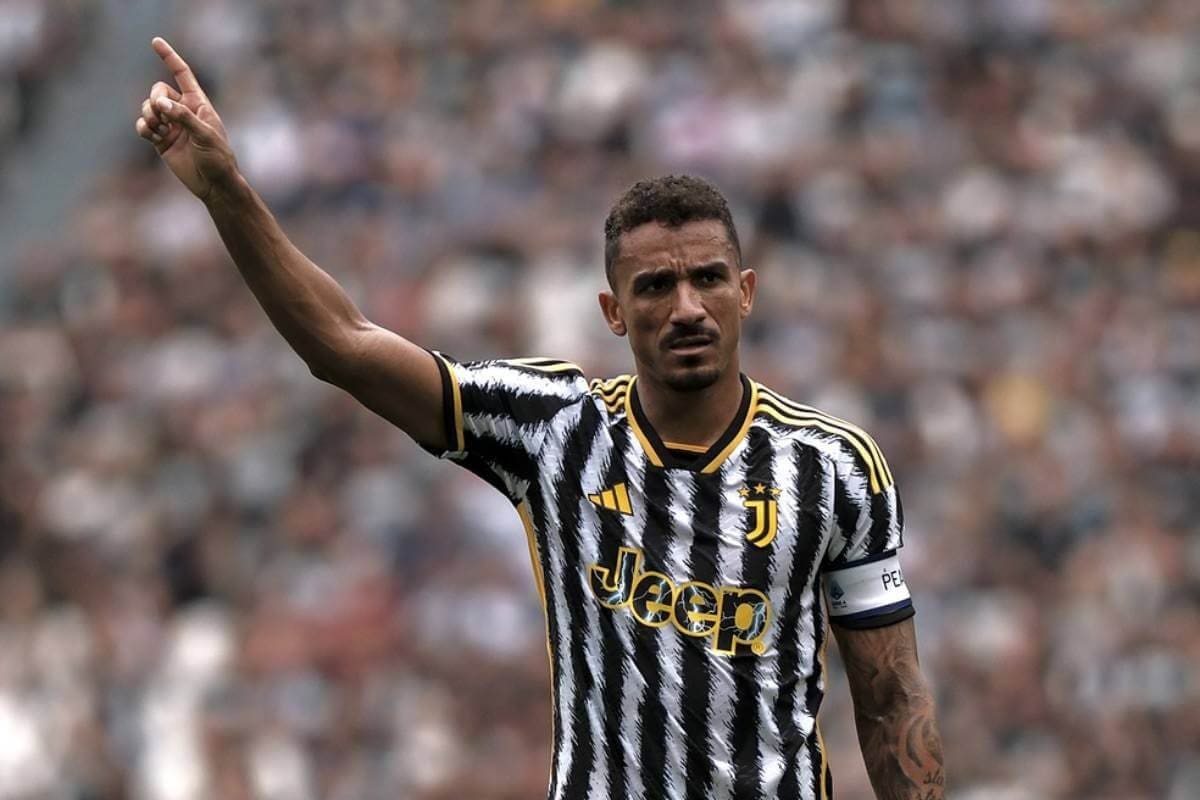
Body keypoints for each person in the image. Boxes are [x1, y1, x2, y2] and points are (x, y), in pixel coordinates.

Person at [135, 36, 945, 800]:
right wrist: (227, 191)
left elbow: (891, 700)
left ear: (748, 291)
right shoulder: (556, 428)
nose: (687, 307)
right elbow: (343, 345)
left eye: (708, 278)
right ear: (613, 312)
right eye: (654, 287)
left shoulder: (834, 467)